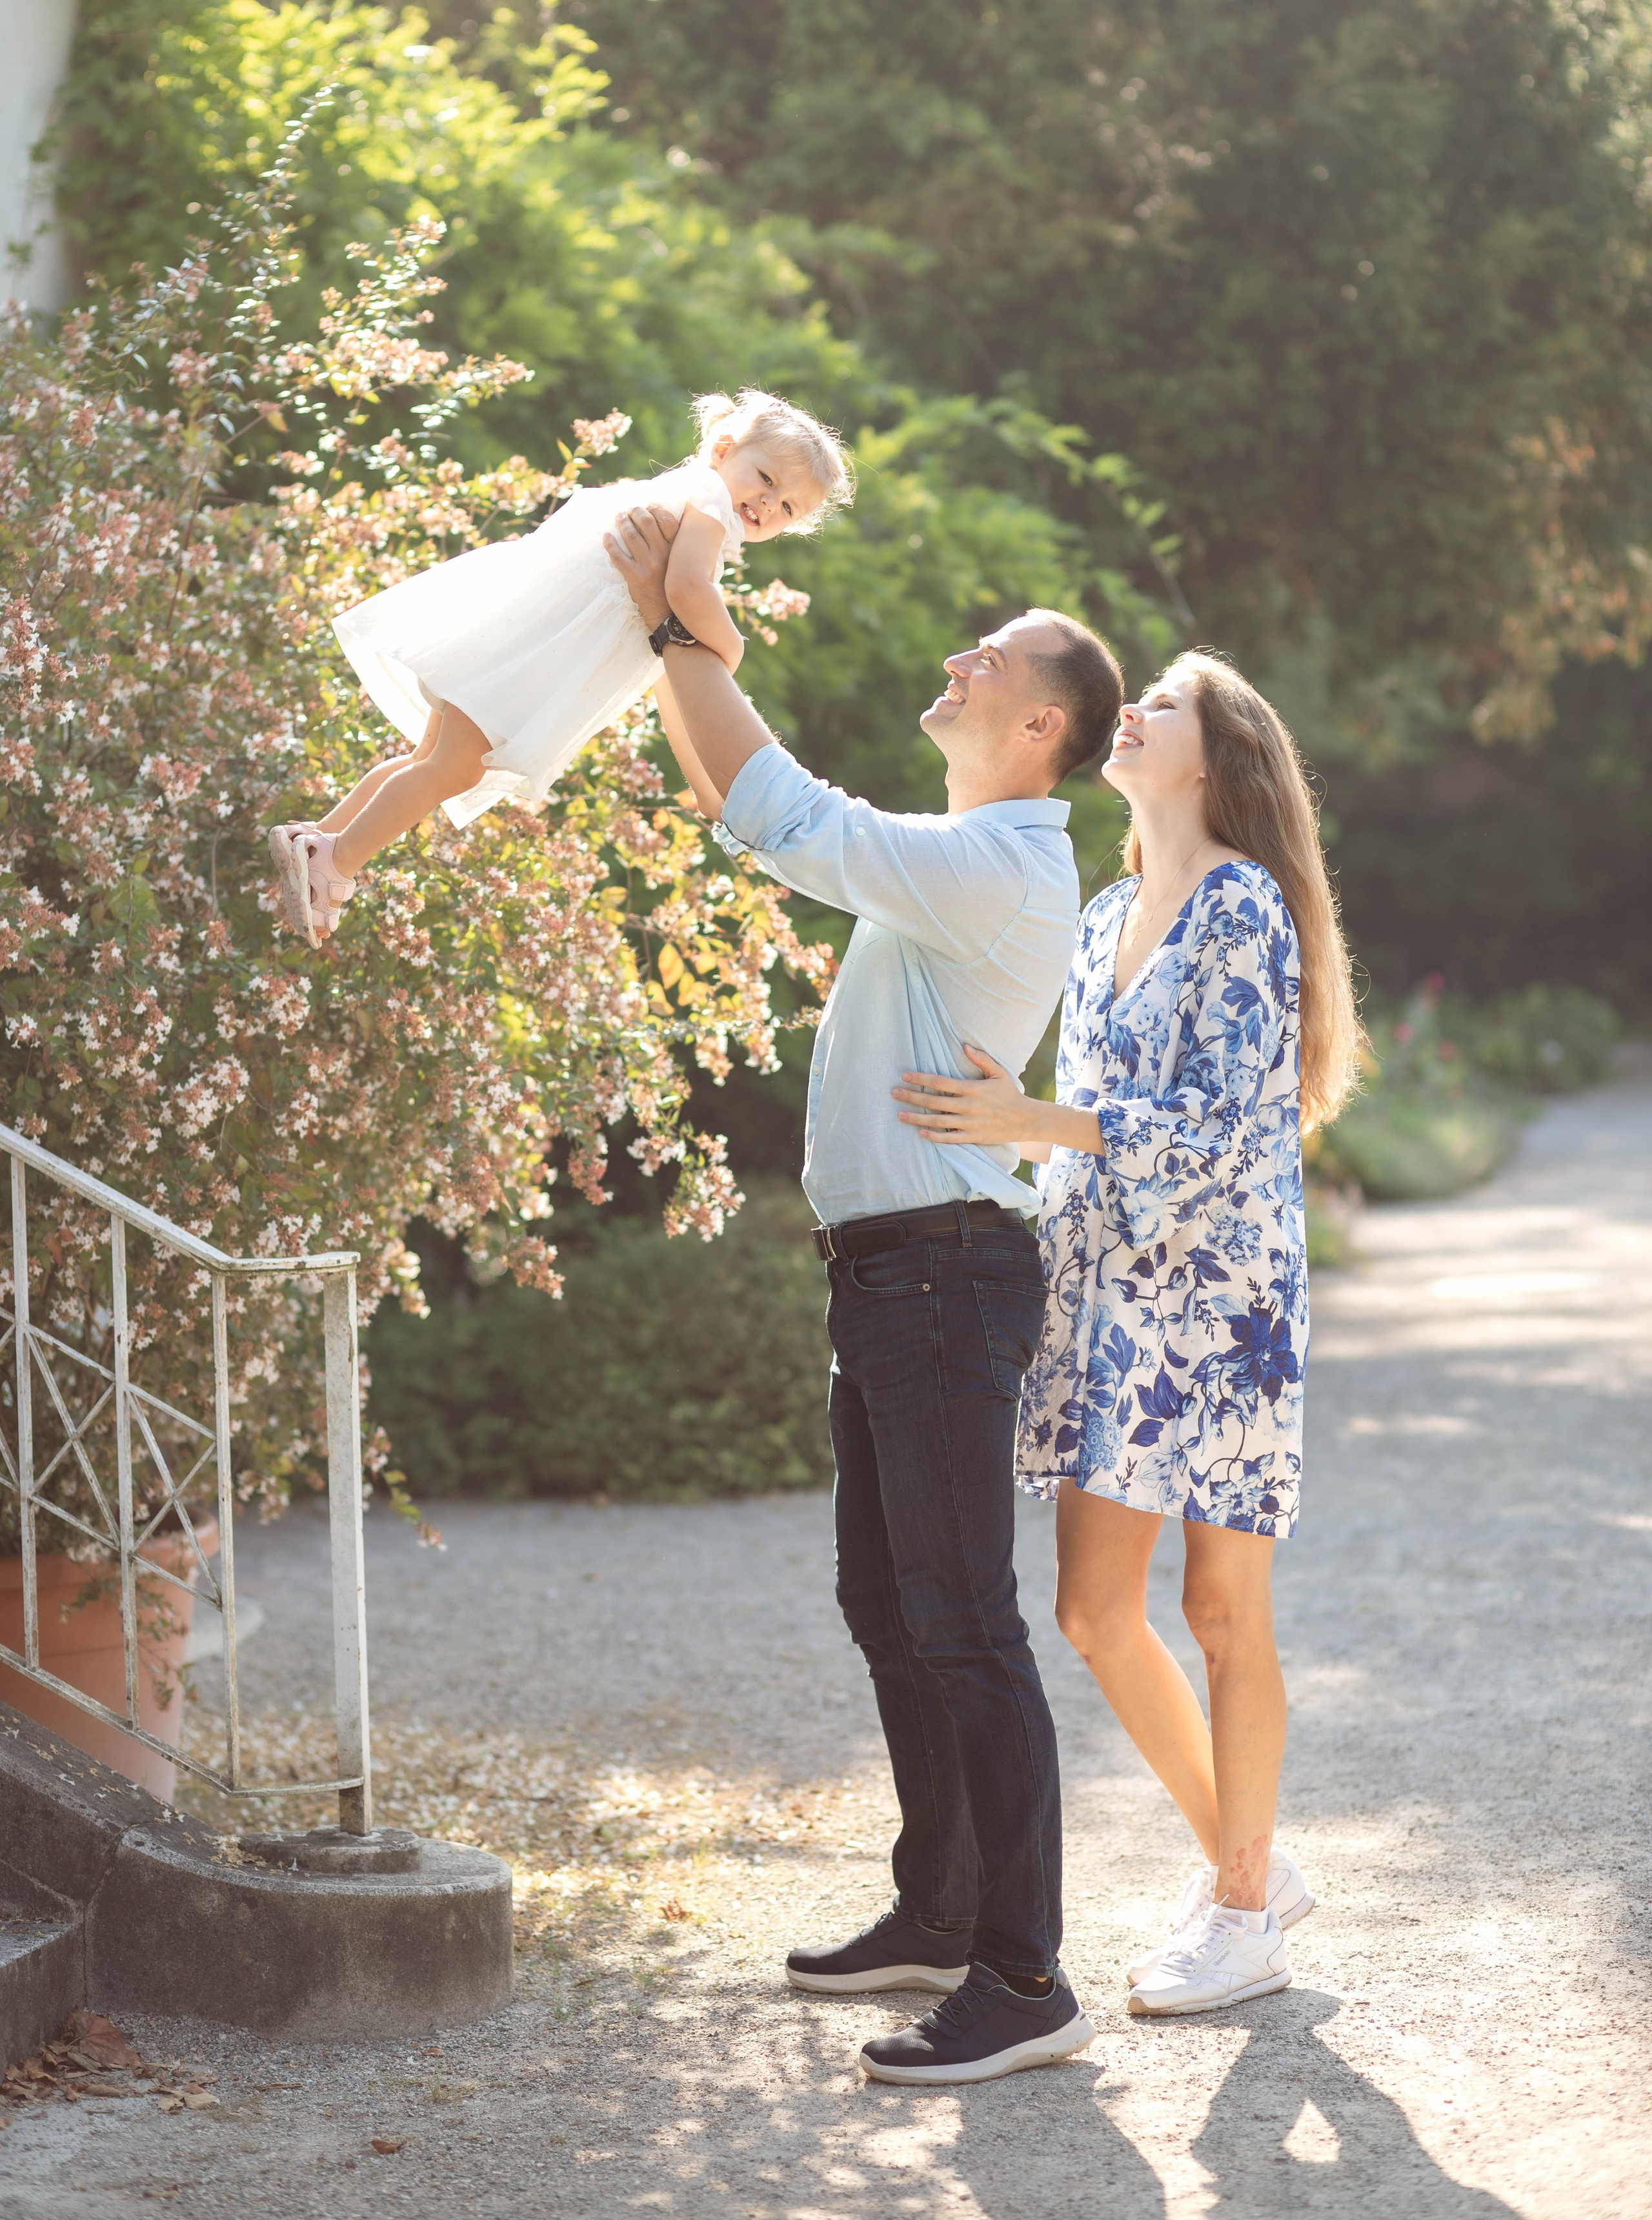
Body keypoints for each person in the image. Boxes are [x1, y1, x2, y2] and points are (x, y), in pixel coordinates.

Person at [603, 497, 1122, 2086]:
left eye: (992, 657)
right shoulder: (959, 860)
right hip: (897, 1277)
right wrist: (675, 642)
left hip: (944, 1278)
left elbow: (778, 808)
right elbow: (751, 807)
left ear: (1037, 723)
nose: (956, 659)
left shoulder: (997, 861)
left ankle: (1023, 1979)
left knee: (963, 1622)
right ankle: (938, 1909)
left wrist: (682, 631)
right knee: (889, 1607)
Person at [892, 651, 1361, 2018]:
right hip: (1108, 1298)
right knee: (1092, 1612)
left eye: (1164, 703)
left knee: (1220, 1611)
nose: (1135, 713)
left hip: (1222, 1304)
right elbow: (1080, 1126)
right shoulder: (1100, 917)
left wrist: (1028, 1121)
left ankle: (1237, 1906)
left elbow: (1219, 1134)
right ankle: (1254, 1872)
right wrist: (1011, 1153)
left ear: (1213, 760)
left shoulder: (1244, 908)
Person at [267, 390, 852, 947]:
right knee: (454, 769)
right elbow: (687, 588)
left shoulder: (685, 491)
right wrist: (731, 647)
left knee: (429, 761)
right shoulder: (713, 504)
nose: (767, 505)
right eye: (767, 479)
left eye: (787, 508)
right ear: (724, 452)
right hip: (533, 655)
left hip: (516, 634)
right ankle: (336, 860)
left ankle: (316, 838)